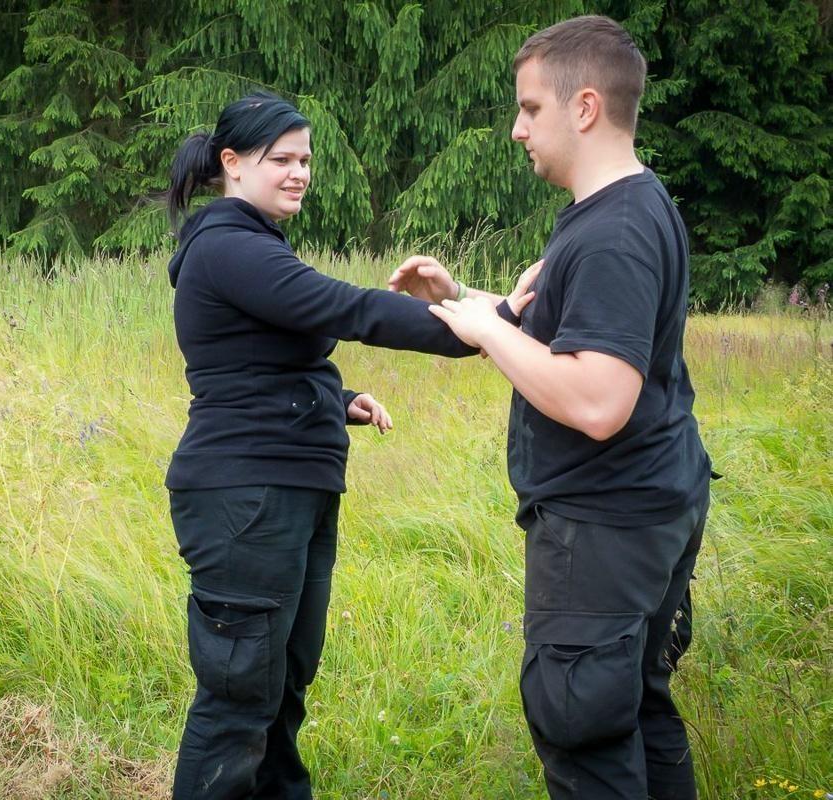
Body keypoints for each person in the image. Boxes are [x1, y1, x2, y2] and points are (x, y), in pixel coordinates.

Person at [164, 92, 539, 800]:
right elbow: (347, 307)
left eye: (305, 159)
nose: (299, 173)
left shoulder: (254, 244)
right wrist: (491, 322)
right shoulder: (227, 245)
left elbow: (250, 360)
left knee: (281, 686)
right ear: (232, 163)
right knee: (239, 699)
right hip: (245, 496)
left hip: (284, 487)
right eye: (281, 159)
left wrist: (335, 402)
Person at [390, 16, 712, 800]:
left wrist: (485, 333)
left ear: (585, 107)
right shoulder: (627, 209)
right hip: (647, 504)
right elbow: (576, 336)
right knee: (636, 706)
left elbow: (599, 399)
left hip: (603, 526)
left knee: (582, 729)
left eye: (530, 108)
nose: (516, 128)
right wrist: (470, 301)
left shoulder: (613, 234)